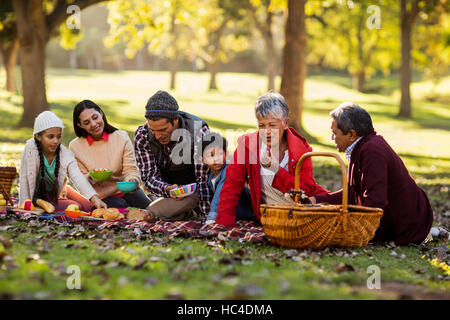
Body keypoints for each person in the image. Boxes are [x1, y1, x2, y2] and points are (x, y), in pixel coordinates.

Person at [311, 102, 433, 245]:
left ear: (351, 134)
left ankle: (427, 233)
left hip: (408, 224)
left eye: (335, 133)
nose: (332, 138)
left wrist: (354, 231)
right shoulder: (361, 147)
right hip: (404, 217)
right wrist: (316, 200)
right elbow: (352, 193)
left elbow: (375, 202)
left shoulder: (372, 151)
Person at [216, 92, 328, 227]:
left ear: (285, 123)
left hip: (301, 216)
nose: (267, 131)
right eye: (262, 125)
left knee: (340, 200)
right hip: (269, 218)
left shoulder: (300, 150)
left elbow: (307, 193)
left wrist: (276, 169)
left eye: (272, 125)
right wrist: (223, 225)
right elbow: (231, 186)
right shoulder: (247, 145)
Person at [134, 90, 211, 221]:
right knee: (152, 213)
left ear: (175, 120)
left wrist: (208, 218)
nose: (157, 136)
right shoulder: (143, 135)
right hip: (169, 192)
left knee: (155, 212)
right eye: (153, 130)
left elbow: (203, 180)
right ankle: (188, 213)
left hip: (196, 190)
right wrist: (166, 189)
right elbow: (149, 177)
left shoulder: (198, 132)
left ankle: (197, 211)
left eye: (163, 130)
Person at [69, 100, 151, 209]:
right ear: (80, 125)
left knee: (151, 210)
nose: (93, 124)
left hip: (125, 191)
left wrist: (133, 180)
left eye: (95, 117)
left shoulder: (121, 137)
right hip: (101, 197)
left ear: (101, 113)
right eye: (86, 122)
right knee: (121, 206)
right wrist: (89, 177)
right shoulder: (75, 146)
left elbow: (130, 169)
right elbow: (80, 179)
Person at [19, 111, 107, 212]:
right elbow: (24, 178)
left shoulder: (64, 153)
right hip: (40, 199)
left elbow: (77, 177)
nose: (56, 141)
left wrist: (95, 198)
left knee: (89, 206)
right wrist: (25, 206)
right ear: (38, 137)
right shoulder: (31, 148)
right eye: (50, 137)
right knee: (77, 207)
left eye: (59, 136)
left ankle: (63, 197)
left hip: (55, 191)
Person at [201, 132, 254, 225]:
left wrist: (211, 218)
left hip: (244, 210)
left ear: (227, 154)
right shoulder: (210, 176)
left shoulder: (229, 170)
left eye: (220, 154)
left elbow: (218, 196)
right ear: (203, 160)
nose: (216, 159)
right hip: (231, 211)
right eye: (211, 155)